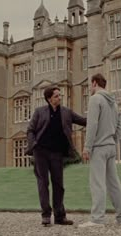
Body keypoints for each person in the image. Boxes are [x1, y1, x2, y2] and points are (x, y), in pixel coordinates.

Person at [25, 86, 86, 226]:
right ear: (49, 99)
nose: (60, 98)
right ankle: (46, 215)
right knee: (43, 183)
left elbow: (83, 121)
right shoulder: (39, 112)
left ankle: (59, 216)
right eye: (57, 96)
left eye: (60, 95)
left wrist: (99, 115)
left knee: (59, 185)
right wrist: (33, 144)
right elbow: (30, 130)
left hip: (57, 153)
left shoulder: (66, 112)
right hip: (40, 152)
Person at [78, 73, 121, 228]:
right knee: (114, 183)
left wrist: (87, 147)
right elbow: (119, 127)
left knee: (97, 183)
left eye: (90, 85)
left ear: (94, 83)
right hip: (111, 146)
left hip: (99, 148)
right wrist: (113, 142)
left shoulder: (95, 99)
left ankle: (97, 219)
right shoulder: (114, 103)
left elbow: (92, 125)